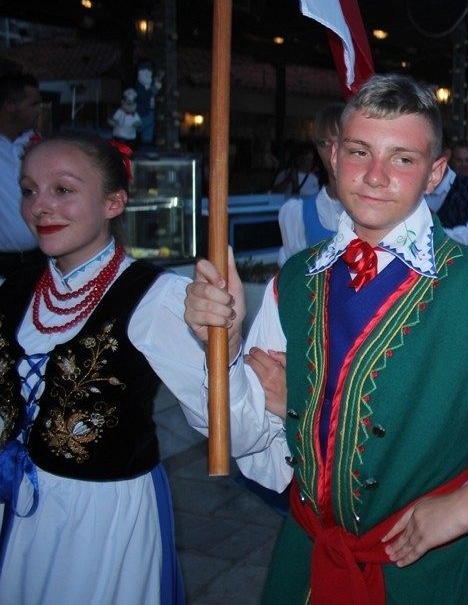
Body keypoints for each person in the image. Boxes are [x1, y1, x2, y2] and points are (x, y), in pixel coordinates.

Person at [183, 74, 468, 604]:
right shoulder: (295, 281)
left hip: (426, 573)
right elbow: (251, 441)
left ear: (435, 172)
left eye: (403, 158)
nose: (375, 176)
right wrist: (227, 352)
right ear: (333, 155)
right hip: (308, 559)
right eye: (359, 151)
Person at [0, 132, 274, 603]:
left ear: (113, 202)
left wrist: (225, 347)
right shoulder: (13, 288)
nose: (39, 206)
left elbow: (238, 433)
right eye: (29, 190)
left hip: (97, 521)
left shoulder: (156, 298)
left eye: (63, 189)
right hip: (13, 510)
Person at [277, 104, 346, 266]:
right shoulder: (300, 214)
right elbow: (292, 275)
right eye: (324, 143)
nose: (333, 152)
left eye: (342, 141)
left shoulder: (377, 209)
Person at [0, 71, 43, 278]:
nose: (39, 110)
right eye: (33, 104)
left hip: (39, 259)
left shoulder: (37, 143)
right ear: (10, 106)